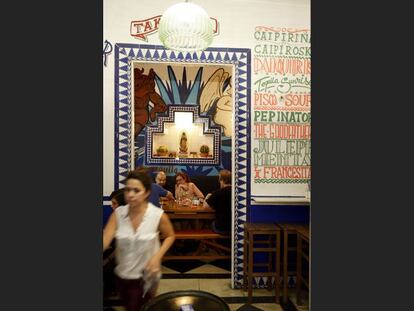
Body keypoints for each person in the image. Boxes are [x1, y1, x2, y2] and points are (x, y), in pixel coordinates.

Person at [103, 168, 175, 311]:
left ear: (147, 192)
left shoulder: (157, 214)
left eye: (136, 190)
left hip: (147, 277)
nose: (130, 194)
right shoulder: (118, 214)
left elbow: (170, 236)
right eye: (128, 190)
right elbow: (105, 239)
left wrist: (157, 257)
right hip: (123, 275)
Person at [203, 169, 232, 234]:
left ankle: (204, 242)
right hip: (235, 228)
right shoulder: (237, 192)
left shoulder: (217, 193)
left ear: (222, 180)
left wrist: (207, 197)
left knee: (208, 224)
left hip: (221, 228)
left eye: (219, 179)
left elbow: (205, 207)